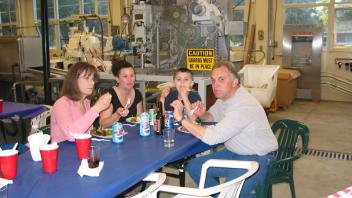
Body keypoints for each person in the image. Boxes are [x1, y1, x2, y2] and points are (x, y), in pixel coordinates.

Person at [171, 61, 278, 198]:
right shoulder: (224, 99)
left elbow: (213, 137)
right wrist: (202, 114)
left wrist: (181, 119)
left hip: (260, 157)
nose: (215, 85)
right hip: (234, 152)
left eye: (221, 79)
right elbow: (211, 118)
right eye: (213, 80)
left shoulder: (243, 105)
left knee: (228, 193)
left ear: (235, 82)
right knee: (195, 166)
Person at [51, 62, 112, 143]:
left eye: (93, 79)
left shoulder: (85, 101)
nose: (92, 83)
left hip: (81, 148)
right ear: (74, 80)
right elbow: (71, 135)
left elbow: (87, 131)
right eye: (87, 78)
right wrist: (97, 108)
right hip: (62, 152)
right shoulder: (61, 104)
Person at [99, 59, 143, 127]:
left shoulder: (137, 94)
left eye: (132, 75)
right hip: (112, 135)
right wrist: (117, 115)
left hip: (131, 133)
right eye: (125, 76)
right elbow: (103, 124)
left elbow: (139, 119)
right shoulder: (109, 95)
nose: (129, 79)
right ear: (117, 79)